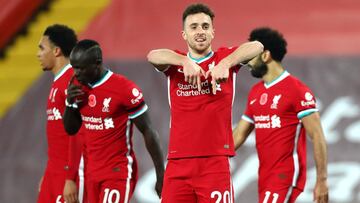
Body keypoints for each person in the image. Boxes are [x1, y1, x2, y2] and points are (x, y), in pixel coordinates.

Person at [147, 3, 263, 203]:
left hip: (215, 163)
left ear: (213, 32)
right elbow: (152, 55)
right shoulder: (175, 64)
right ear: (184, 34)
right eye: (193, 27)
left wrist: (226, 64)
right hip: (178, 163)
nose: (200, 32)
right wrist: (184, 62)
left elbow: (257, 46)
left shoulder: (224, 58)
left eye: (205, 26)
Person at [233, 27, 329, 203]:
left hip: (286, 176)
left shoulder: (297, 90)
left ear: (265, 55)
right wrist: (210, 155)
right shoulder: (255, 92)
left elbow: (317, 136)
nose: (247, 62)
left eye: (251, 56)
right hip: (265, 178)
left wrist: (321, 181)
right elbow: (238, 134)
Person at [63, 39, 165, 203]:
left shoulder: (124, 90)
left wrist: (161, 174)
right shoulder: (76, 85)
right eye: (74, 67)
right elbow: (71, 129)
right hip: (92, 173)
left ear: (97, 63)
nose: (76, 73)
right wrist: (70, 104)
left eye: (81, 68)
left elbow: (148, 131)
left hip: (117, 172)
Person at [36, 24, 86, 203]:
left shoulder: (72, 82)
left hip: (68, 175)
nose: (38, 54)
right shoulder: (58, 82)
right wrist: (48, 173)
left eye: (42, 48)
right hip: (54, 172)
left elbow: (79, 133)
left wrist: (70, 179)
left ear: (56, 51)